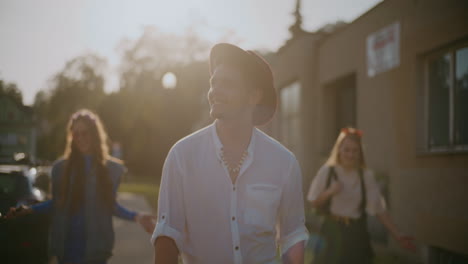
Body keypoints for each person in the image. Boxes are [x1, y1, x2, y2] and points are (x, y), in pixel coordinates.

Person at [152, 43, 309, 264]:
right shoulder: (182, 156)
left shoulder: (284, 162)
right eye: (213, 82)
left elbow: (293, 236)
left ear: (253, 96)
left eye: (227, 84)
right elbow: (167, 235)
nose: (215, 90)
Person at [6, 109, 155, 264]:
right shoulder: (60, 168)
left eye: (85, 133)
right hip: (67, 250)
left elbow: (110, 206)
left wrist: (137, 216)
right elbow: (58, 203)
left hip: (96, 251)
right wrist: (29, 209)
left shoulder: (111, 169)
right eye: (76, 134)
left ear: (95, 135)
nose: (80, 138)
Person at [307, 127, 416, 264]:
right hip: (332, 231)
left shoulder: (366, 176)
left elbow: (379, 209)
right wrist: (330, 192)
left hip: (356, 233)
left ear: (360, 153)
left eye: (355, 151)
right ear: (339, 150)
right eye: (346, 150)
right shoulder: (327, 172)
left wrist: (397, 234)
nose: (350, 155)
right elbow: (314, 202)